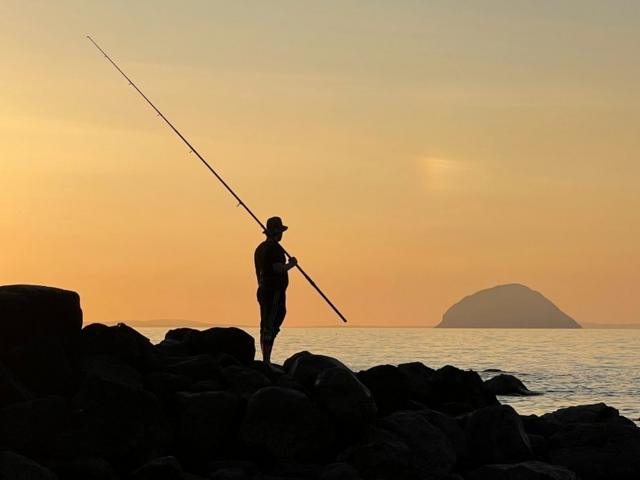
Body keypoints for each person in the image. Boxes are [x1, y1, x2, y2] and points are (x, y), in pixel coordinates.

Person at [254, 216, 297, 367]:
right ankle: (266, 361)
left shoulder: (260, 248)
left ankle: (266, 358)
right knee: (271, 324)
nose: (282, 235)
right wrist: (291, 264)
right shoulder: (274, 248)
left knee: (266, 323)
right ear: (277, 232)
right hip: (273, 291)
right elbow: (277, 268)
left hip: (263, 289)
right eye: (281, 231)